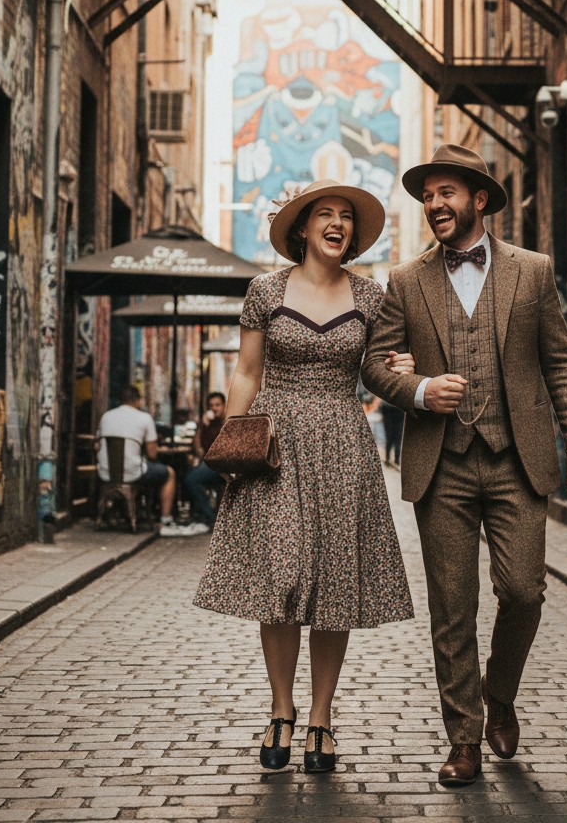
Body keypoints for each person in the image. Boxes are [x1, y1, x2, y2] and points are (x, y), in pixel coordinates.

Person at [361, 144, 567, 786]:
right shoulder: (407, 281)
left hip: (518, 459)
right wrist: (417, 391)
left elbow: (560, 362)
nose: (434, 205)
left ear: (479, 200)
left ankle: (500, 692)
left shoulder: (534, 270)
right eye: (428, 195)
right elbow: (375, 364)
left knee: (524, 591)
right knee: (452, 605)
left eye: (445, 194)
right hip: (443, 464)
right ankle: (462, 739)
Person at [194, 179, 415, 774]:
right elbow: (246, 371)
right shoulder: (265, 290)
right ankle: (281, 708)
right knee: (283, 579)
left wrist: (399, 365)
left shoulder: (371, 297)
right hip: (279, 443)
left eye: (346, 216)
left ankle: (320, 718)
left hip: (344, 443)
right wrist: (232, 444)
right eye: (326, 214)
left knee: (334, 586)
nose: (338, 223)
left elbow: (376, 368)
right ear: (303, 228)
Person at [96, 385, 197, 537]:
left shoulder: (106, 416)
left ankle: (122, 513)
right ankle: (165, 519)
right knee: (169, 473)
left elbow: (97, 444)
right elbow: (152, 454)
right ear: (137, 400)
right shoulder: (144, 418)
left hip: (105, 472)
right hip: (133, 473)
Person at [182, 391, 227, 530]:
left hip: (224, 464)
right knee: (188, 477)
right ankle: (206, 515)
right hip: (210, 464)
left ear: (224, 405)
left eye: (217, 405)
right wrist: (201, 426)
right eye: (211, 405)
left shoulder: (228, 421)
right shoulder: (208, 423)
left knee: (191, 479)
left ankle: (210, 516)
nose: (214, 408)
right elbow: (196, 446)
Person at [380, 399, 404, 467]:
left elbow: (383, 405)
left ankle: (390, 459)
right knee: (396, 438)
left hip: (390, 411)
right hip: (396, 411)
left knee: (391, 438)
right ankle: (394, 460)